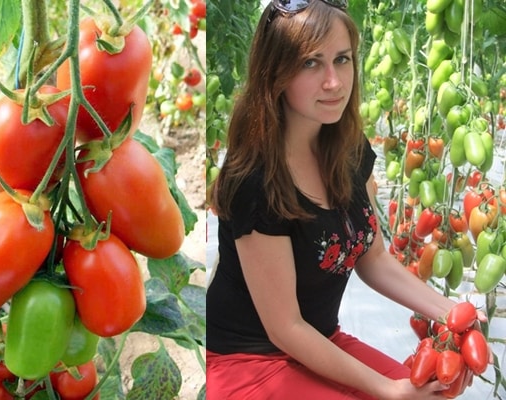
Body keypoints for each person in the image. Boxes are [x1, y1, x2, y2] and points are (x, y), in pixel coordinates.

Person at [205, 1, 486, 399]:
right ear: (276, 72)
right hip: (248, 360)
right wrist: (386, 389)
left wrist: (455, 316)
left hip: (319, 340)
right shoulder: (256, 179)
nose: (334, 81)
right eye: (310, 63)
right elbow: (284, 327)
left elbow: (374, 261)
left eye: (342, 59)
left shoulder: (349, 151)